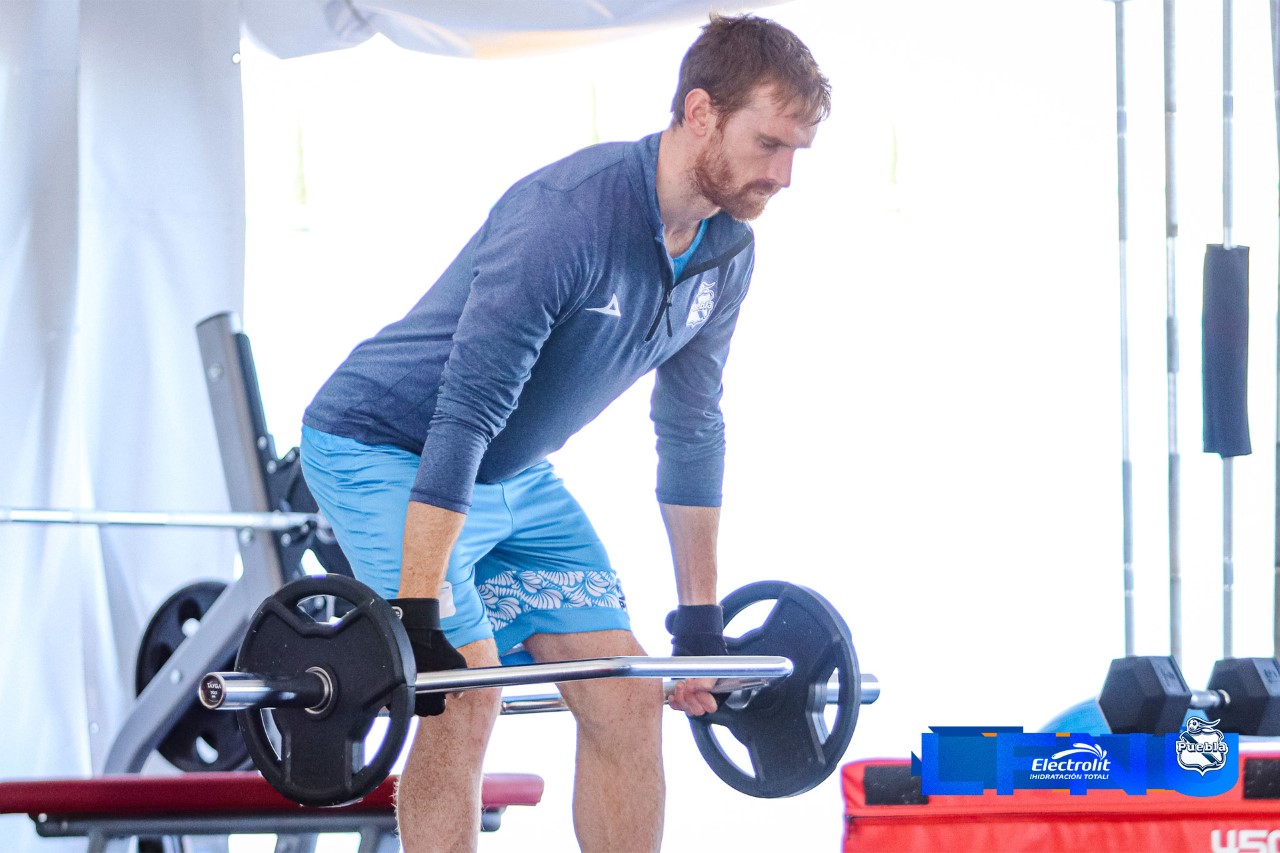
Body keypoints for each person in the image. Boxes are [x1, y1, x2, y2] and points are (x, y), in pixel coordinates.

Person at [299, 14, 829, 852]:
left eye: (799, 150)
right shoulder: (567, 218)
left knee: (626, 694)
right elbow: (465, 407)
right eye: (769, 143)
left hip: (512, 471)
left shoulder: (726, 250)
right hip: (385, 444)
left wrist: (698, 624)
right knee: (466, 691)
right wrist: (418, 610)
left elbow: (690, 427)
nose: (786, 174)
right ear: (699, 114)